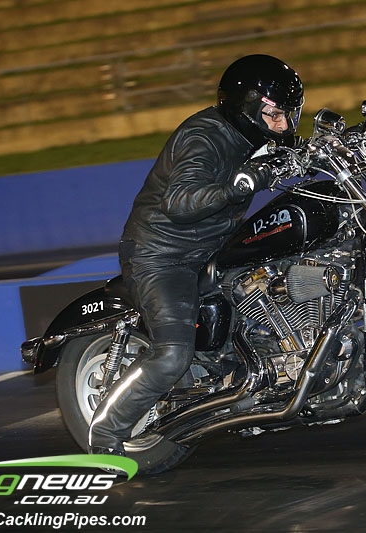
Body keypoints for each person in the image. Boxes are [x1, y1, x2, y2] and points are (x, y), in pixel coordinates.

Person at [88, 54, 304, 456]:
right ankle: (104, 436)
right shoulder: (204, 136)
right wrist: (239, 184)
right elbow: (179, 201)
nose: (284, 126)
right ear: (247, 108)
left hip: (212, 247)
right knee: (173, 355)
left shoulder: (255, 137)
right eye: (275, 115)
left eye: (289, 115)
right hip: (162, 254)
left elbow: (292, 150)